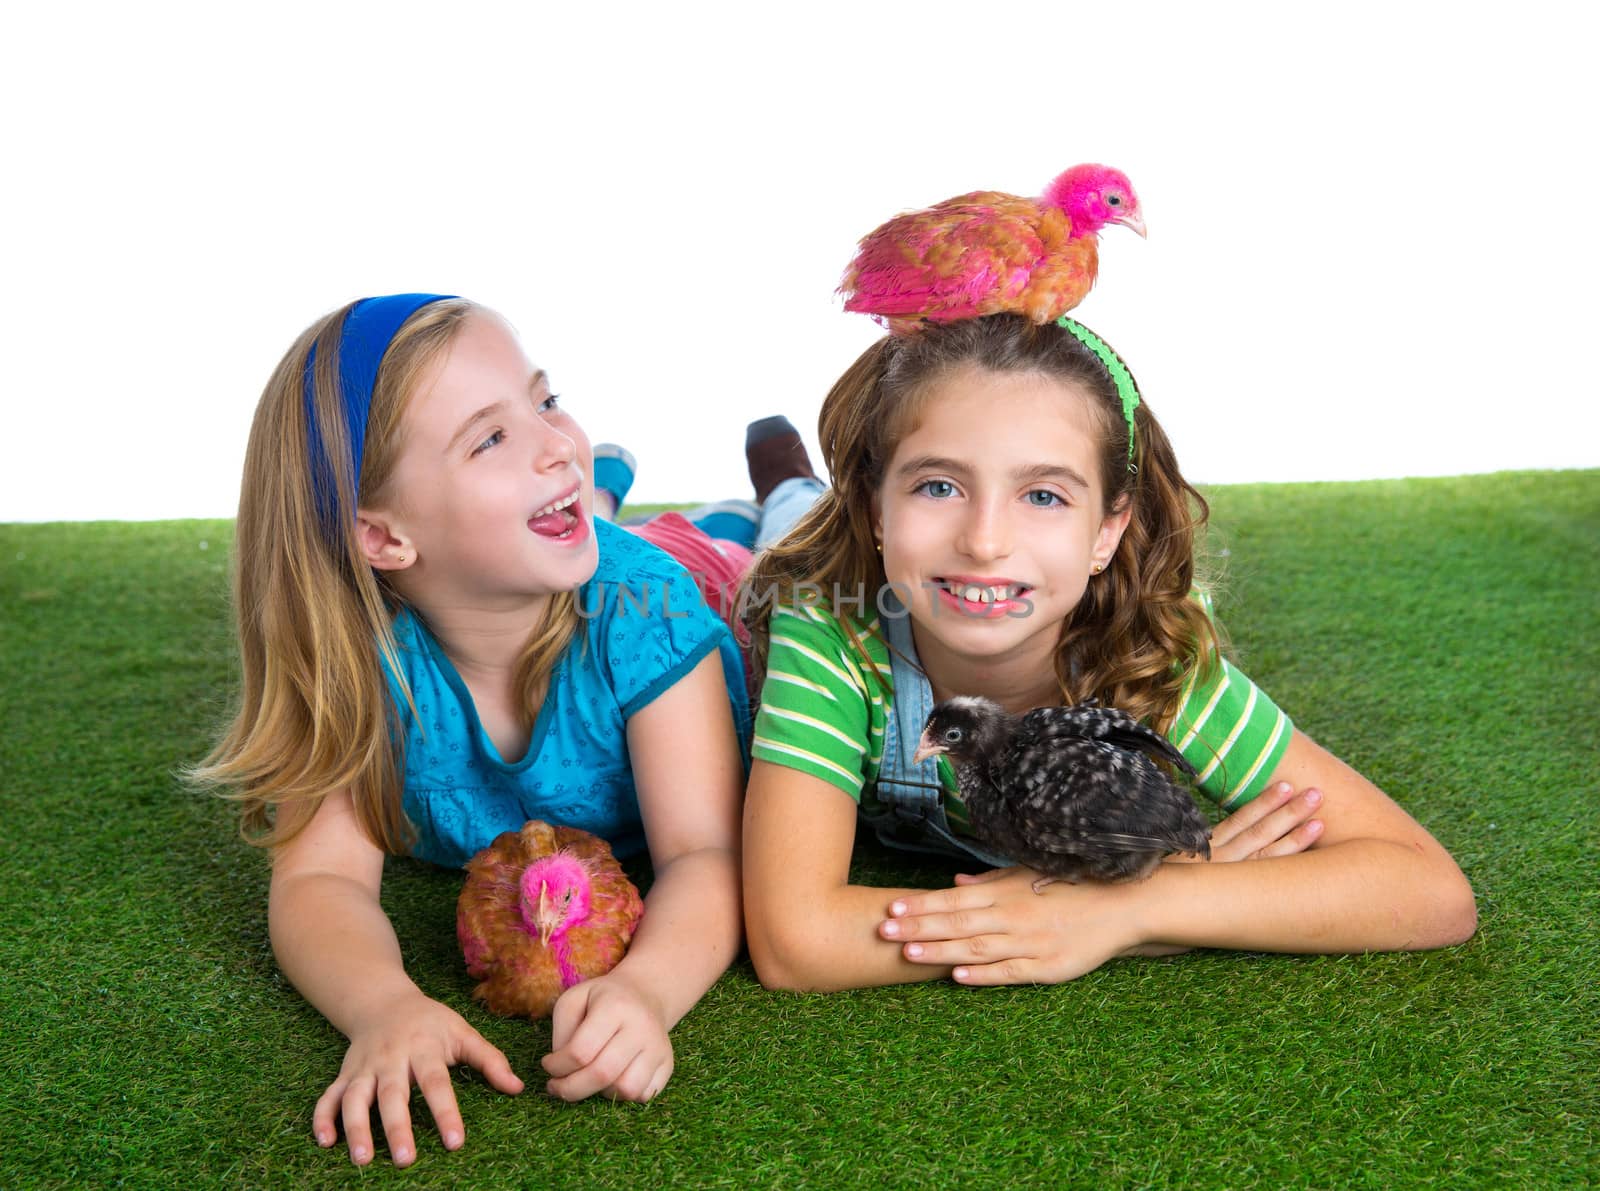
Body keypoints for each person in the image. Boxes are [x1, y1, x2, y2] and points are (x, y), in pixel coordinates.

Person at [190, 294, 778, 1168]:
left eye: (545, 401)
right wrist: (382, 1004)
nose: (553, 439)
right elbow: (318, 878)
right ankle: (613, 493)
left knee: (752, 552)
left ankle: (744, 504)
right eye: (489, 438)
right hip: (564, 540)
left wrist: (649, 989)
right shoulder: (359, 658)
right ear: (382, 535)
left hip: (696, 581)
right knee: (584, 514)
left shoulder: (648, 617)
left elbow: (705, 852)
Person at [740, 311, 1477, 993]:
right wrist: (1120, 903)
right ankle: (783, 480)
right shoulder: (828, 630)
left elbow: (1427, 889)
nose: (985, 541)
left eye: (1044, 497)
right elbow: (794, 938)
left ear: (1107, 532)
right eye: (938, 485)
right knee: (777, 525)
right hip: (798, 558)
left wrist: (1129, 910)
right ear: (875, 505)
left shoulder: (1147, 657)